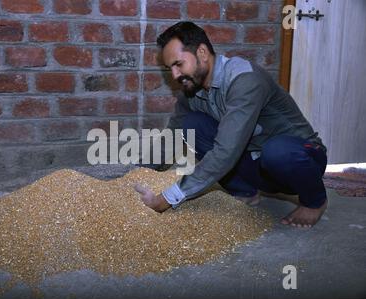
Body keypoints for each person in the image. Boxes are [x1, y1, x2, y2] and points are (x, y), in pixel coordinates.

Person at [134, 21, 328, 228]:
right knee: (191, 123)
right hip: (256, 165)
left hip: (299, 160)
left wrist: (167, 198)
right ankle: (245, 191)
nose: (174, 75)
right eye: (169, 68)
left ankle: (315, 201)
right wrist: (137, 174)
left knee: (277, 151)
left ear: (202, 52)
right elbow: (171, 136)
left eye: (178, 64)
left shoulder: (244, 80)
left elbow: (226, 151)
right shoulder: (192, 90)